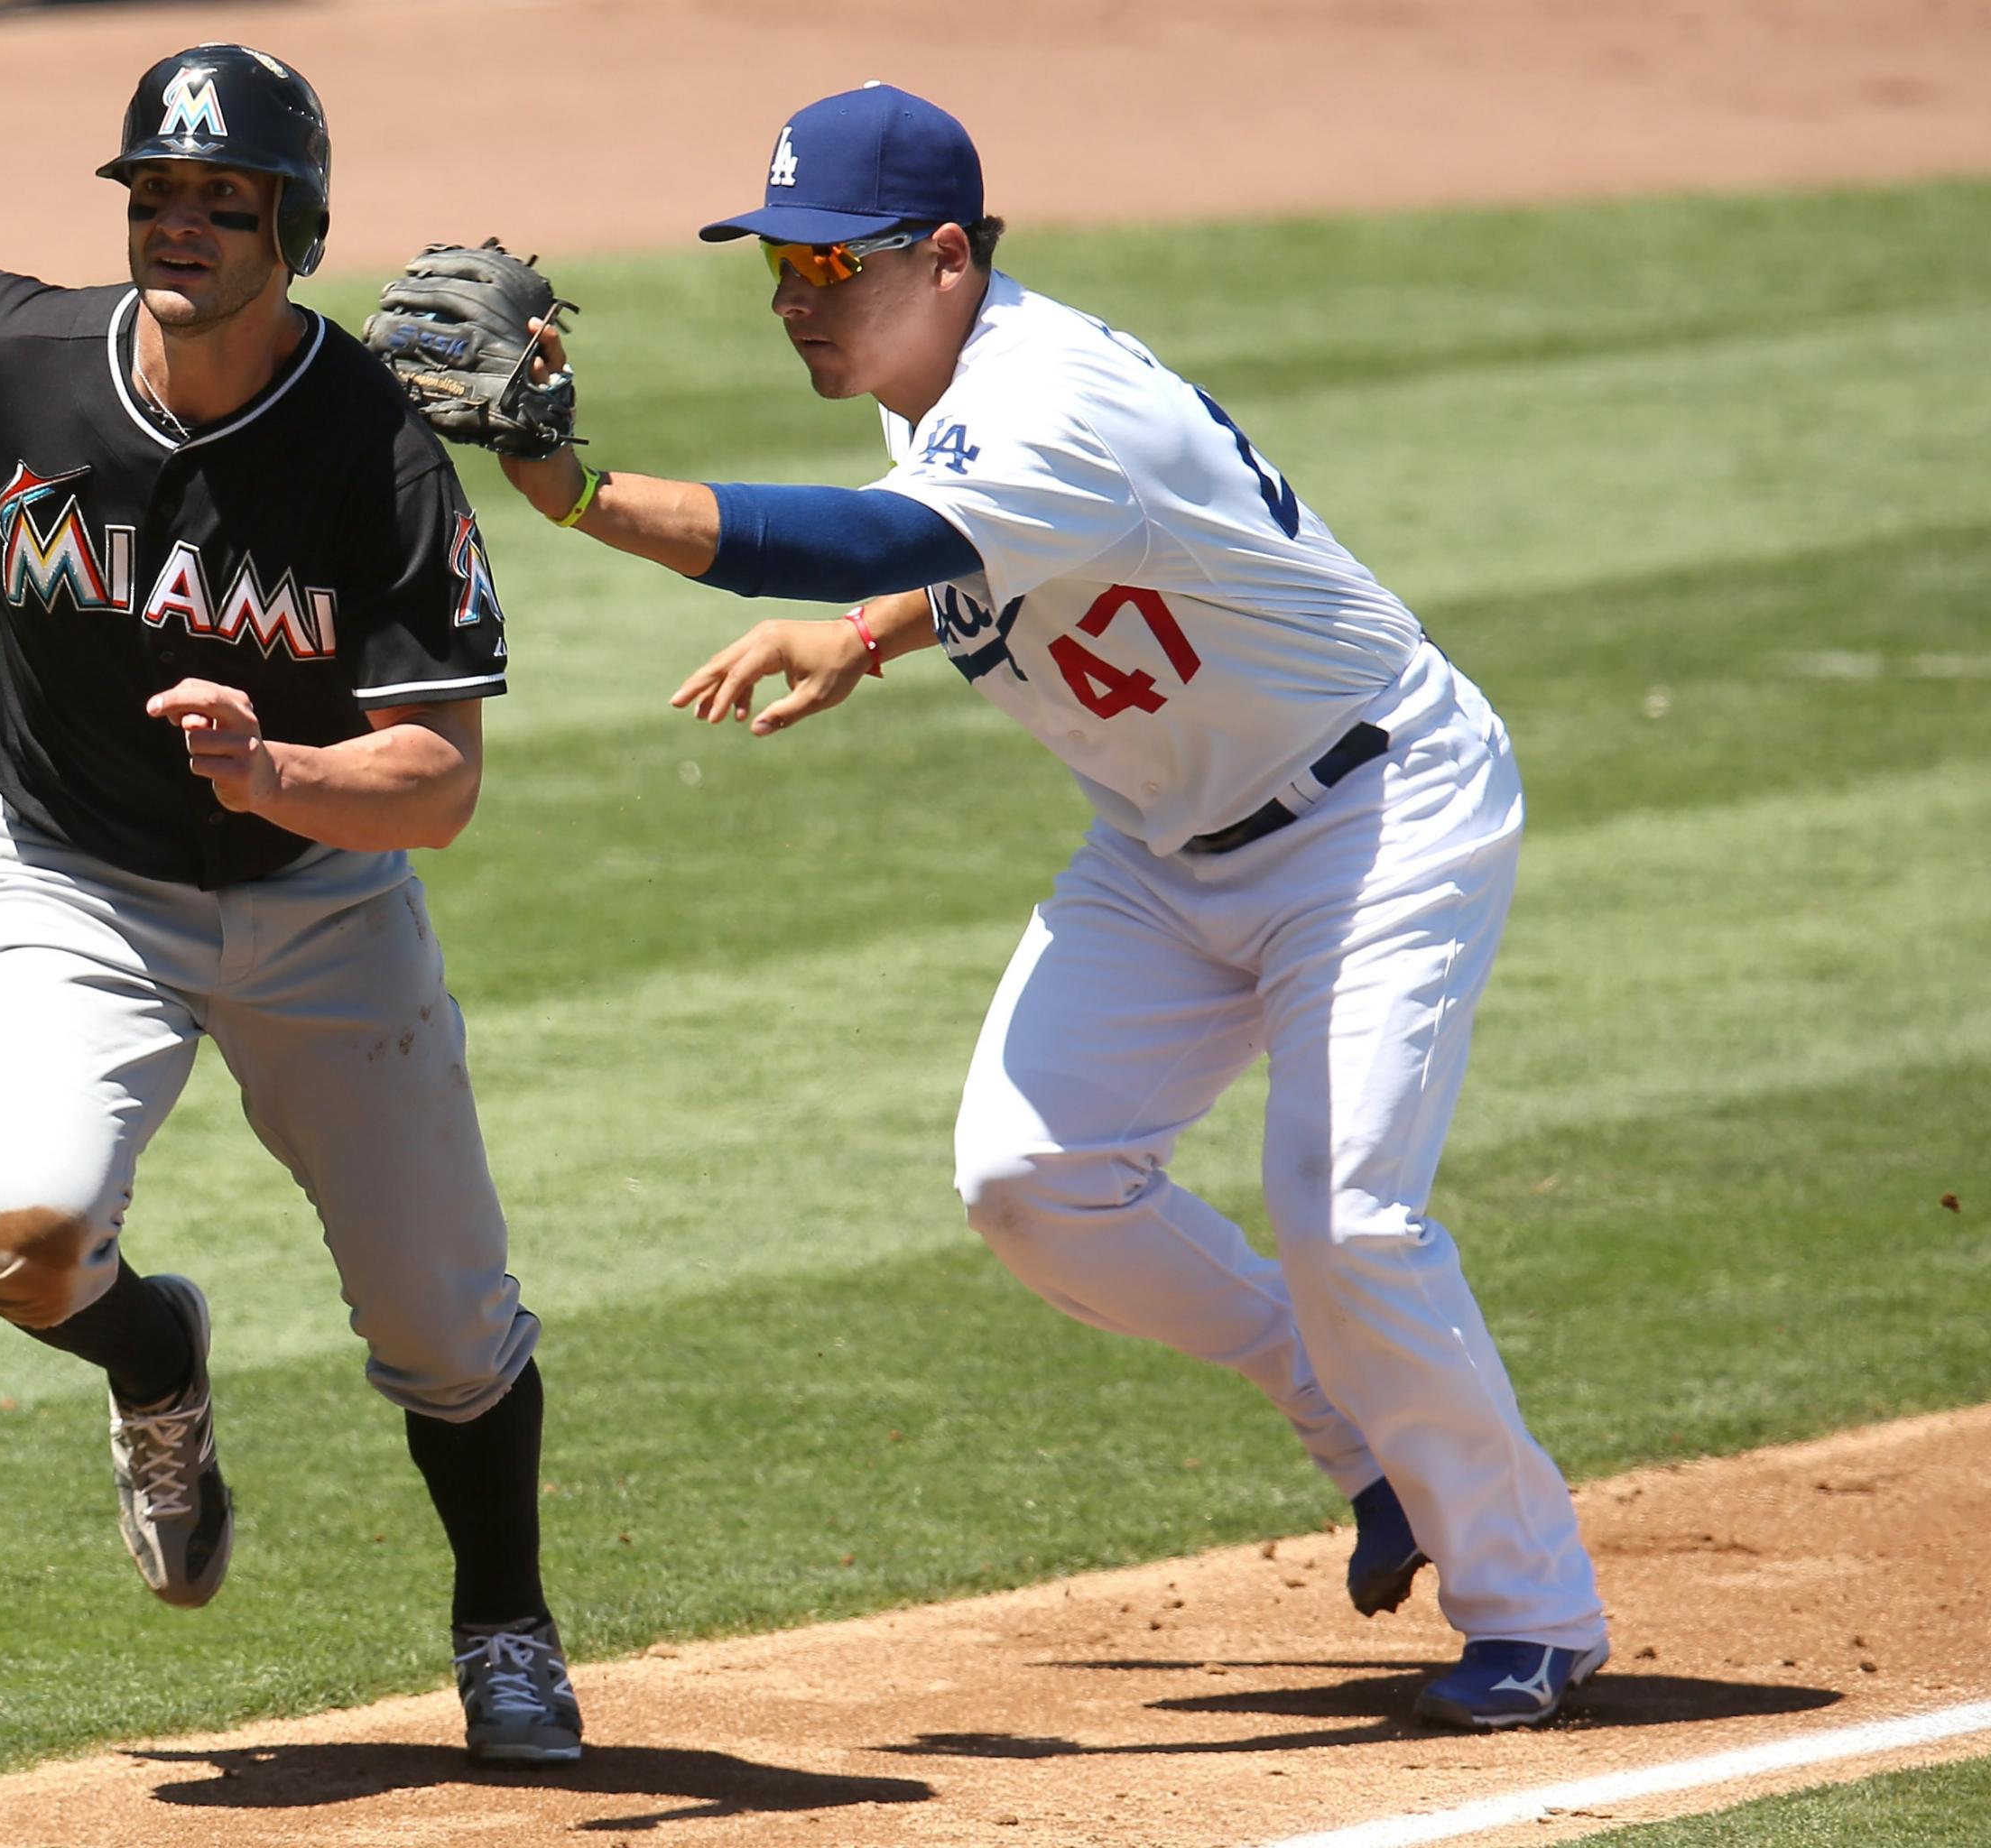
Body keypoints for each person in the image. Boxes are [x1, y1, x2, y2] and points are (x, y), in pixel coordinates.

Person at [495, 82, 1608, 1730]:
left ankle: (1535, 1610)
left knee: (1349, 1215)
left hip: (1376, 815)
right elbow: (967, 550)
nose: (798, 301)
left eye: (831, 267)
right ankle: (1347, 1415)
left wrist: (579, 492)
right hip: (1167, 850)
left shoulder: (1052, 397)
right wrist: (873, 636)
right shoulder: (942, 380)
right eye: (780, 269)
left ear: (948, 256)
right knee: (1030, 1179)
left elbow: (887, 529)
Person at [0, 43, 580, 1764]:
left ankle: (505, 1625)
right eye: (156, 195)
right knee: (17, 1234)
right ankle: (153, 1355)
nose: (178, 225)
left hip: (323, 899)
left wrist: (276, 777)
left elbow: (441, 781)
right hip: (74, 881)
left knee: (444, 1325)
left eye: (223, 201)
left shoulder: (375, 450)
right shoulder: (24, 354)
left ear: (297, 229)